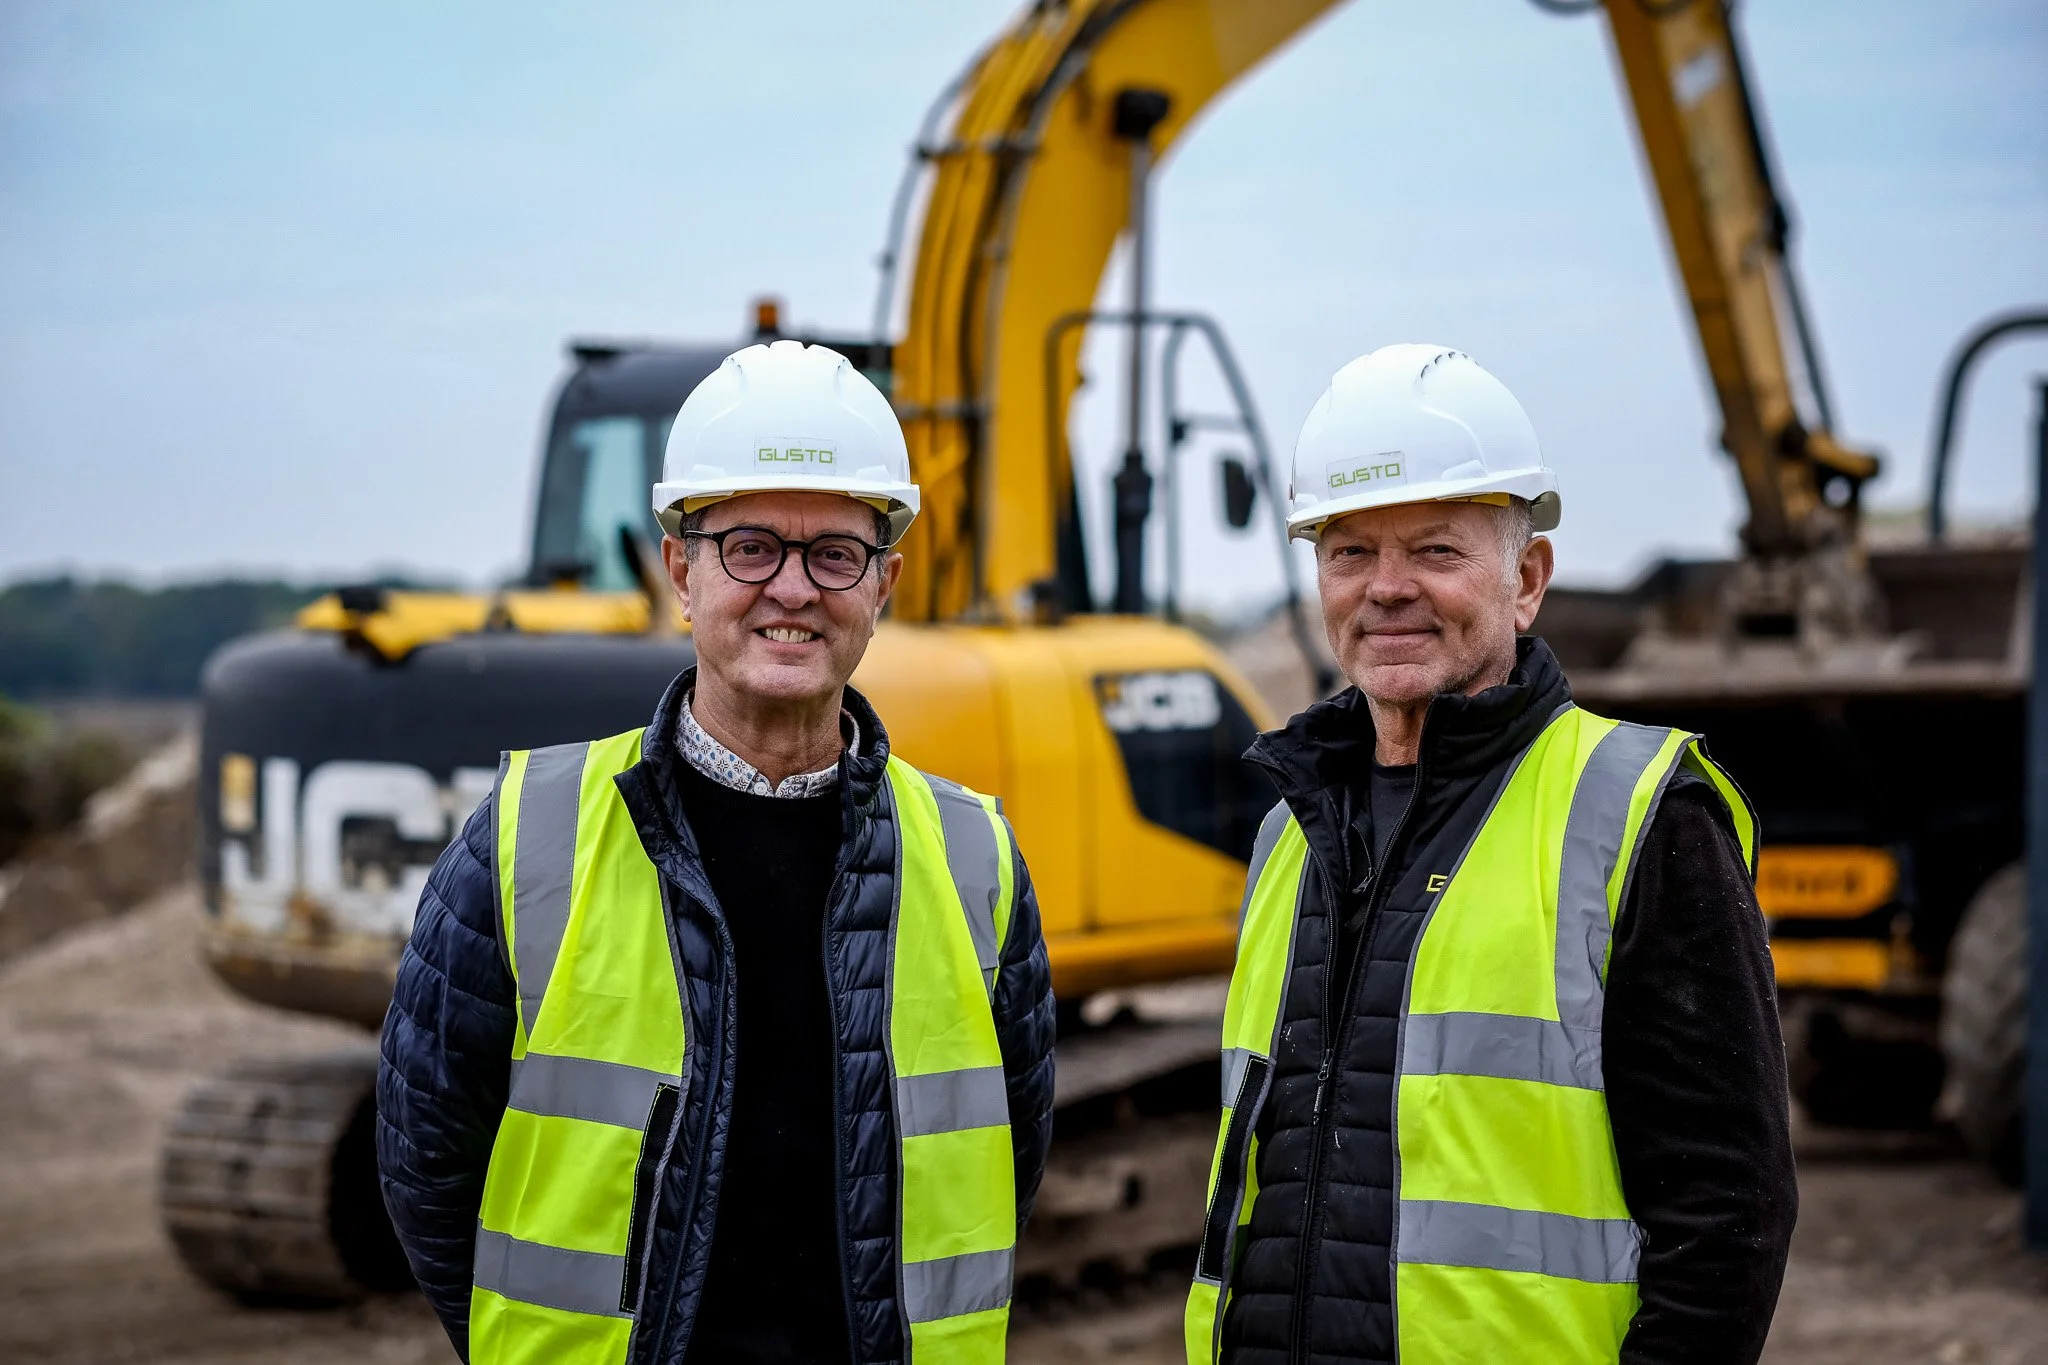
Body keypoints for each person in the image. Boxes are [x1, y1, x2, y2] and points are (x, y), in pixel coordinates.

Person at [377, 339, 1057, 1365]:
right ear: (679, 570)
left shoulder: (975, 861)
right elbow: (427, 1159)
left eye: (835, 552)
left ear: (885, 584)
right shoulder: (529, 838)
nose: (792, 588)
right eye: (748, 546)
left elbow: (1010, 1153)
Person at [1185, 345, 1796, 1364]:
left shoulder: (1639, 818)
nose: (1385, 590)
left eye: (1434, 552)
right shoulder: (1287, 832)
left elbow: (1726, 1219)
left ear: (1526, 579)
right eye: (1347, 554)